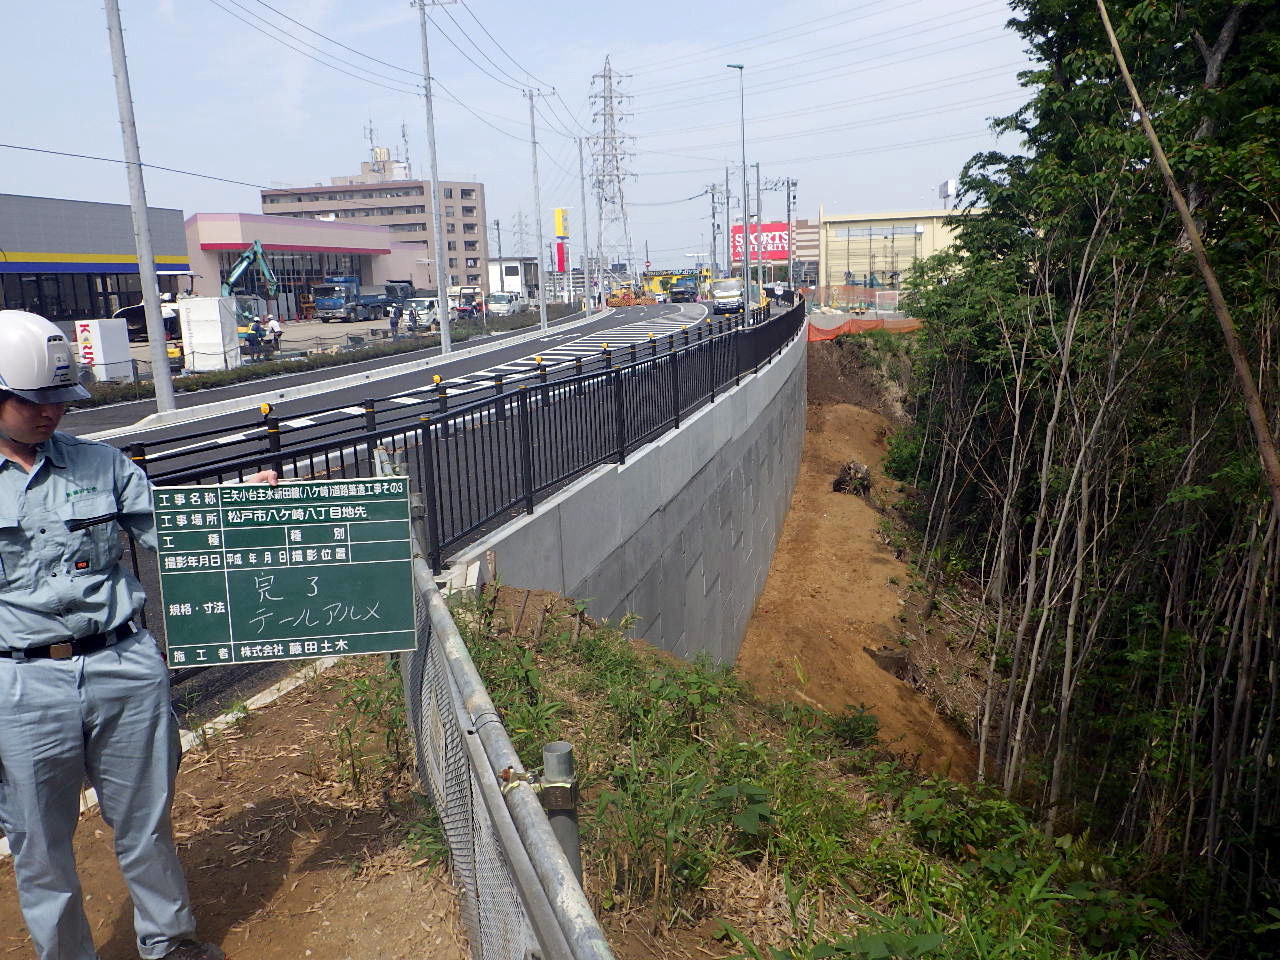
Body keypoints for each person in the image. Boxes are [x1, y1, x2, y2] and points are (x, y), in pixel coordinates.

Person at [0, 310, 277, 960]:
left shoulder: (102, 465)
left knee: (145, 825)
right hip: (24, 684)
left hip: (123, 665)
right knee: (39, 843)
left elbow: (174, 529)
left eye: (61, 401)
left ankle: (170, 942)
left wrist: (249, 501)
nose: (52, 415)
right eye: (36, 401)